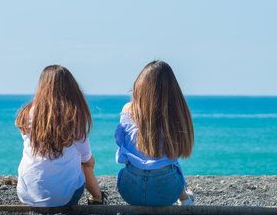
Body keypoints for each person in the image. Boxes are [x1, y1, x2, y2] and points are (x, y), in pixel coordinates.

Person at [15, 65, 105, 206]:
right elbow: (86, 159)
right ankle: (97, 198)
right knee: (84, 165)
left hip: (27, 195)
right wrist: (89, 162)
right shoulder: (73, 116)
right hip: (66, 198)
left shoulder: (27, 113)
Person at [115, 60, 195, 206]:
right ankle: (184, 199)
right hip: (167, 193)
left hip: (131, 191)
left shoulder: (128, 109)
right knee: (172, 162)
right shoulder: (177, 113)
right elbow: (175, 154)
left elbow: (120, 142)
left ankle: (184, 198)